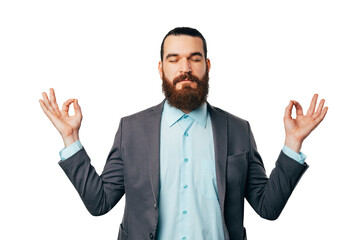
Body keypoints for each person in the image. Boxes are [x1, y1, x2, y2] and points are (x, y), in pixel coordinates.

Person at [39, 27, 328, 240]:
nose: (185, 69)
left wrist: (293, 143)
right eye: (174, 59)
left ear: (207, 66)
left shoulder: (238, 130)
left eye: (194, 58)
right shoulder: (132, 129)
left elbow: (268, 206)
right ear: (161, 67)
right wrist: (70, 138)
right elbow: (99, 202)